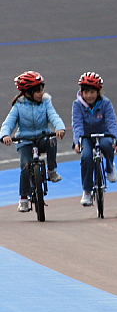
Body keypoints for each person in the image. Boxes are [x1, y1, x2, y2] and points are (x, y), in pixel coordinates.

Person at [0, 71, 66, 212]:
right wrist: (5, 135)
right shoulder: (18, 106)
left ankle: (52, 170)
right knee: (25, 166)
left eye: (42, 89)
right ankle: (23, 198)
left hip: (43, 137)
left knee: (52, 140)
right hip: (25, 141)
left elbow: (54, 116)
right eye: (37, 90)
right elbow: (8, 123)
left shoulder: (46, 102)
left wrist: (59, 127)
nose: (41, 93)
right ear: (27, 93)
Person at [71, 72, 117, 206]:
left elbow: (112, 122)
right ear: (81, 92)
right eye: (86, 92)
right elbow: (77, 125)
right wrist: (77, 142)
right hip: (86, 136)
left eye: (92, 92)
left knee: (107, 145)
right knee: (86, 157)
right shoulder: (77, 105)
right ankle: (87, 191)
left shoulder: (105, 103)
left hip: (104, 133)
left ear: (98, 91)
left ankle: (110, 166)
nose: (89, 96)